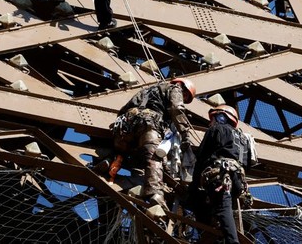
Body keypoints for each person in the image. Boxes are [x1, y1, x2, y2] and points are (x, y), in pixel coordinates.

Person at [106, 78, 196, 208]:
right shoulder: (175, 89)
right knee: (154, 158)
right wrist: (185, 133)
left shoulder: (145, 91)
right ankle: (155, 194)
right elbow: (176, 108)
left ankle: (108, 162)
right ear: (182, 86)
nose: (184, 97)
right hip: (149, 123)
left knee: (122, 152)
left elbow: (123, 109)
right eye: (186, 95)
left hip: (127, 125)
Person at [188, 105, 256, 244]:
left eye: (213, 118)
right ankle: (218, 235)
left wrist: (194, 184)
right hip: (237, 181)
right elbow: (247, 163)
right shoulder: (244, 138)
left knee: (218, 207)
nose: (210, 122)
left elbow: (201, 157)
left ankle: (231, 241)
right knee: (222, 208)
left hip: (221, 175)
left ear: (221, 117)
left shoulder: (217, 129)